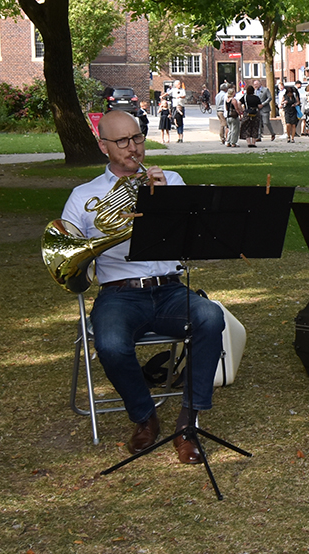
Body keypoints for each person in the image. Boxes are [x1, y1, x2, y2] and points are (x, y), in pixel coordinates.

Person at [60, 110, 225, 464]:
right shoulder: (83, 196)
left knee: (211, 317)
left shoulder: (171, 180)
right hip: (119, 293)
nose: (133, 147)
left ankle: (188, 423)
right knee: (110, 343)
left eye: (137, 138)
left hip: (169, 289)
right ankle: (144, 416)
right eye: (122, 141)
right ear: (103, 146)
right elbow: (70, 259)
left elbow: (192, 238)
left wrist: (165, 202)